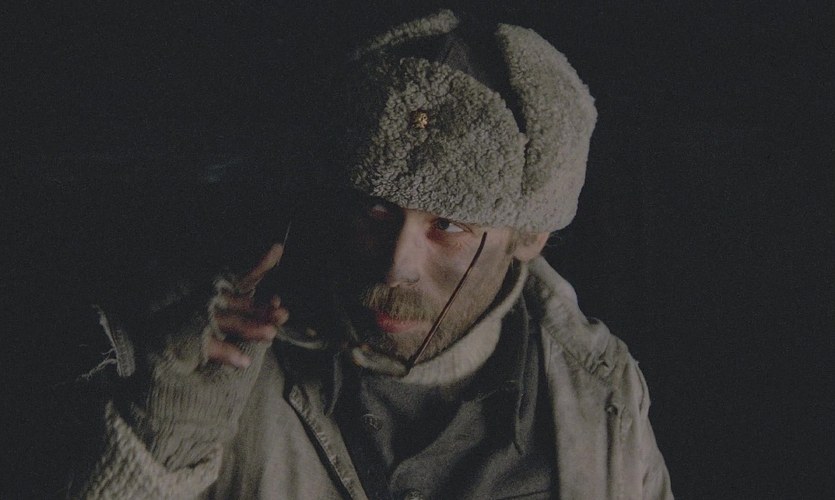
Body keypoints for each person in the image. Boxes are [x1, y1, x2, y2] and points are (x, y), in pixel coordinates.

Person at [72, 9, 673, 499]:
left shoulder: (602, 396)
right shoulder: (212, 357)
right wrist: (167, 429)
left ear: (530, 236)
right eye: (377, 210)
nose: (396, 266)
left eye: (447, 225)